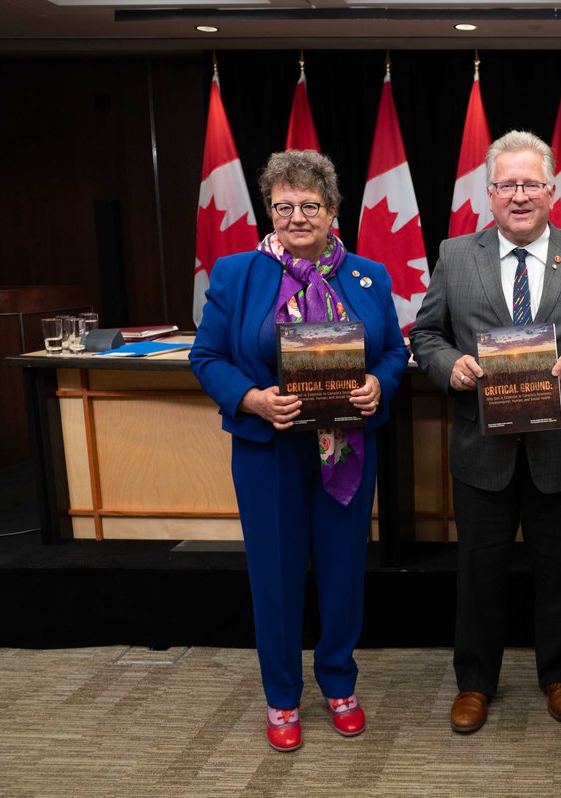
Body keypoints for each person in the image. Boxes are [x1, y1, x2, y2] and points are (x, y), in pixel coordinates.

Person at [409, 130, 561, 734]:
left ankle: (560, 676)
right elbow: (425, 335)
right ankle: (475, 682)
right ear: (489, 193)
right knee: (478, 574)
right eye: (507, 184)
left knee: (559, 570)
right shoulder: (455, 254)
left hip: (558, 450)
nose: (519, 195)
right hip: (480, 449)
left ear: (551, 191)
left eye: (530, 184)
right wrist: (449, 366)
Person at [190, 150, 408, 752]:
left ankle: (339, 682)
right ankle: (282, 695)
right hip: (269, 452)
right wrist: (252, 399)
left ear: (333, 210)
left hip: (346, 449)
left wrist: (379, 383)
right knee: (276, 576)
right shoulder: (236, 274)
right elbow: (206, 357)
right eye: (283, 206)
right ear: (270, 211)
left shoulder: (368, 276)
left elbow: (394, 352)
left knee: (343, 571)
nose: (296, 217)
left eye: (310, 205)